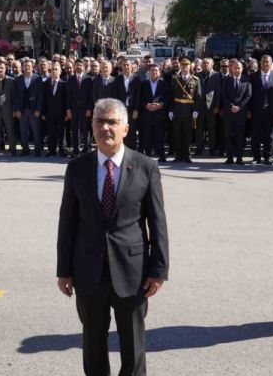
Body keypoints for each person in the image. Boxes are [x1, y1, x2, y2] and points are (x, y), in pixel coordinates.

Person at [57, 98, 169, 376]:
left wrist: (159, 270)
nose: (105, 127)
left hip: (132, 272)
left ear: (126, 129)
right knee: (93, 341)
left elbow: (157, 222)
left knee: (132, 344)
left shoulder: (145, 167)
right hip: (88, 270)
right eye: (99, 121)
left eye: (112, 122)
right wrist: (64, 271)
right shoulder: (77, 168)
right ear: (92, 126)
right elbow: (67, 222)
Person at [250, 55, 273, 164]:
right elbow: (250, 95)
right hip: (256, 111)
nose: (265, 64)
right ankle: (256, 157)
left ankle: (268, 156)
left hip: (271, 111)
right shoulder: (253, 76)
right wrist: (249, 110)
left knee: (269, 135)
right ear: (260, 63)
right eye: (263, 61)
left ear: (271, 63)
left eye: (267, 62)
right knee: (255, 134)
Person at [168, 57, 201, 163]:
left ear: (190, 67)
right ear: (180, 66)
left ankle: (187, 155)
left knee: (188, 134)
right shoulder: (174, 79)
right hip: (177, 109)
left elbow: (198, 96)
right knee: (177, 133)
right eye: (182, 65)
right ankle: (178, 155)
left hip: (189, 110)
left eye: (186, 65)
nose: (184, 67)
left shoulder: (195, 80)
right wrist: (170, 110)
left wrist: (196, 110)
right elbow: (171, 96)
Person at [220, 59, 251, 165]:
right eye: (235, 68)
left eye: (239, 68)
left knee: (240, 136)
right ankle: (229, 157)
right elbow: (224, 95)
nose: (237, 70)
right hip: (229, 112)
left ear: (242, 69)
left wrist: (239, 106)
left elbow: (248, 95)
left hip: (241, 113)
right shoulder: (226, 80)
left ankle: (239, 157)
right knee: (228, 135)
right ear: (231, 69)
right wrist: (231, 106)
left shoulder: (246, 80)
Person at [139, 64, 168, 162]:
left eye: (156, 70)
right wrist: (146, 105)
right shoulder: (143, 84)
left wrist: (161, 105)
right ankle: (147, 156)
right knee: (147, 136)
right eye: (152, 70)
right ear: (149, 72)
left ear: (159, 72)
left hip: (159, 114)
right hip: (147, 114)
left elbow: (168, 98)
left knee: (159, 136)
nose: (154, 72)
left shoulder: (164, 84)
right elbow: (140, 98)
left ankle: (161, 156)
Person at [43, 62, 68, 157]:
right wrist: (43, 112)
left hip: (61, 113)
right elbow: (44, 99)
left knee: (61, 132)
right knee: (51, 132)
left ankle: (62, 149)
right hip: (49, 113)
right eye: (52, 69)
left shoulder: (64, 84)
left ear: (60, 72)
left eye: (56, 69)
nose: (54, 71)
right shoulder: (45, 84)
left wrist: (66, 113)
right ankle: (51, 150)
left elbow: (66, 100)